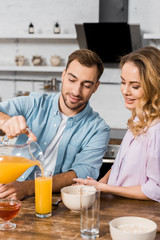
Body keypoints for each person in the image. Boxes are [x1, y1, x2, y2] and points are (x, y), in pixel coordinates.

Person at [0, 49, 110, 200]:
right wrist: (6, 121)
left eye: (86, 85)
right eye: (72, 80)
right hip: (8, 193)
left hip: (55, 202)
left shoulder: (98, 129)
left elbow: (83, 172)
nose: (76, 91)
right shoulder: (34, 103)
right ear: (63, 76)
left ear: (95, 87)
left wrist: (28, 187)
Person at [74, 46, 160, 202]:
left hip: (137, 217)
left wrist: (105, 188)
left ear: (154, 86)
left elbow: (155, 189)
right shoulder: (138, 120)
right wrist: (96, 187)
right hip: (117, 208)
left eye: (135, 86)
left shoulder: (156, 131)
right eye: (123, 82)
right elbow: (118, 165)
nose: (125, 91)